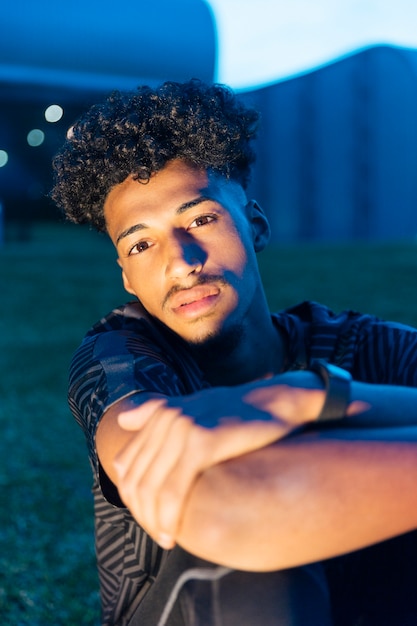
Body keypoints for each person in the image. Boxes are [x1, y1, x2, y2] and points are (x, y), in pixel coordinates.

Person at [51, 80, 417, 626]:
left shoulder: (370, 348)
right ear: (126, 276)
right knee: (245, 561)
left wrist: (305, 396)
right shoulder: (119, 357)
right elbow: (234, 507)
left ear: (256, 225)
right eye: (141, 244)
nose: (181, 262)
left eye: (200, 219)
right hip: (204, 606)